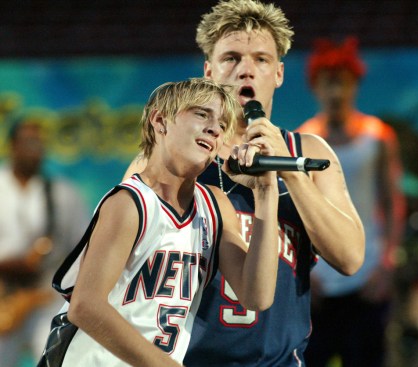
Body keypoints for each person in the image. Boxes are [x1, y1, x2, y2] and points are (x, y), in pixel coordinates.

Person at [124, 1, 365, 366]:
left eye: (261, 60)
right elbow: (119, 264)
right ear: (209, 71)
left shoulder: (308, 152)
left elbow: (349, 258)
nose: (246, 71)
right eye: (232, 58)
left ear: (279, 73)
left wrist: (287, 168)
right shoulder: (167, 157)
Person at [37, 77, 281, 367]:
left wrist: (266, 192)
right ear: (160, 121)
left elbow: (257, 297)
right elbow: (85, 307)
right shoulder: (129, 202)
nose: (215, 128)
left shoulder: (215, 206)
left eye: (222, 123)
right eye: (202, 114)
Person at [297, 36, 406, 367]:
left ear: (354, 85)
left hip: (367, 275)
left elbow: (392, 203)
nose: (335, 93)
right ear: (314, 87)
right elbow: (298, 212)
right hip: (320, 282)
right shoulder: (304, 138)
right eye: (327, 83)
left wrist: (386, 263)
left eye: (341, 83)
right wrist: (303, 272)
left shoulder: (378, 135)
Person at [0, 118, 89, 366]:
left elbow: (83, 248)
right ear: (12, 145)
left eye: (39, 143)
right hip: (4, 295)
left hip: (45, 296)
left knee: (53, 359)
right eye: (28, 142)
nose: (35, 149)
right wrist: (12, 265)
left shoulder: (63, 193)